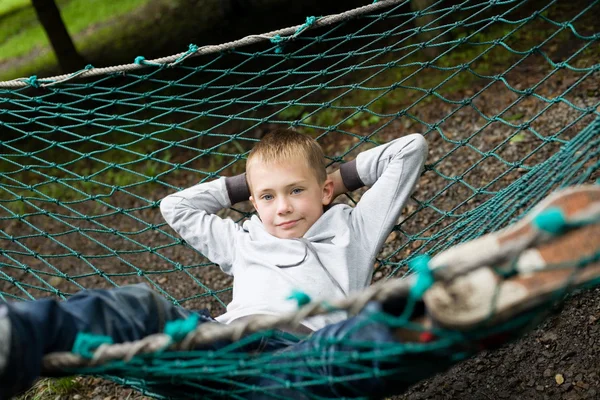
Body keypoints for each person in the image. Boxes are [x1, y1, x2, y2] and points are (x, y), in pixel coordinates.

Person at [0, 130, 598, 399]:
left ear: (325, 189)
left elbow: (410, 148)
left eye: (296, 191)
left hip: (311, 351)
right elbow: (173, 206)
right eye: (267, 197)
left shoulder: (354, 227)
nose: (282, 207)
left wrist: (342, 178)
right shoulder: (241, 238)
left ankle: (462, 300)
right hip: (222, 344)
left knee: (353, 353)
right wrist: (248, 184)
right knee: (134, 308)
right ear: (251, 202)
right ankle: (15, 337)